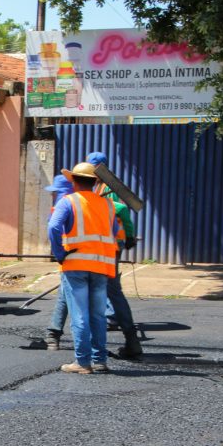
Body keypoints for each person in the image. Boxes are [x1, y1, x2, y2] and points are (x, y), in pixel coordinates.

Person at [47, 162, 119, 374]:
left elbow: (53, 226)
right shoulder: (108, 205)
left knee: (79, 315)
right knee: (98, 315)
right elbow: (113, 231)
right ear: (95, 182)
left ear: (74, 182)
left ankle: (82, 362)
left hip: (76, 264)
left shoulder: (68, 201)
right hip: (102, 266)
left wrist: (59, 253)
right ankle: (100, 361)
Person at [86, 151, 142, 359]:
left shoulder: (108, 189)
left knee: (102, 289)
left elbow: (119, 211)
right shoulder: (100, 185)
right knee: (112, 289)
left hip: (107, 245)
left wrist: (127, 236)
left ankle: (101, 337)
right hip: (106, 245)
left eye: (94, 167)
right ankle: (125, 333)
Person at [43, 172, 74, 351]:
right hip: (86, 259)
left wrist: (59, 253)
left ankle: (53, 335)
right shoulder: (78, 202)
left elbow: (53, 227)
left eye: (56, 191)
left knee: (66, 295)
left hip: (70, 258)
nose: (53, 194)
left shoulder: (63, 203)